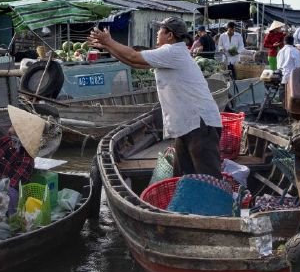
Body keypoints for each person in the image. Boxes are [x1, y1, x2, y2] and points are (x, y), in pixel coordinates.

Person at [89, 17, 222, 178]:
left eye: (160, 30)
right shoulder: (172, 53)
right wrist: (107, 46)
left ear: (170, 35)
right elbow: (135, 63)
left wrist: (109, 41)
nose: (157, 33)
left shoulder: (172, 52)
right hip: (189, 124)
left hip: (200, 124)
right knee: (184, 176)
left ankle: (217, 202)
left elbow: (133, 56)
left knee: (208, 179)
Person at [0, 105, 42, 215]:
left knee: (11, 194)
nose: (9, 129)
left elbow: (11, 186)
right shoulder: (5, 141)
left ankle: (7, 218)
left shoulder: (26, 160)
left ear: (21, 134)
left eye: (14, 127)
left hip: (4, 195)